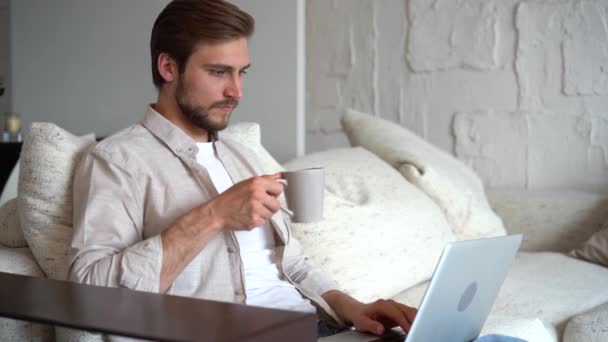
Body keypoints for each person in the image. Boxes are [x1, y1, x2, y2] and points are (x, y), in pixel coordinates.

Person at [68, 1, 524, 341]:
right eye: (219, 72)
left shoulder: (243, 157)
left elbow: (296, 264)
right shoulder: (117, 161)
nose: (236, 91)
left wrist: (356, 309)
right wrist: (212, 216)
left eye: (243, 72)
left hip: (314, 329)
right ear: (167, 66)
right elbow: (89, 291)